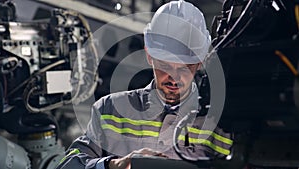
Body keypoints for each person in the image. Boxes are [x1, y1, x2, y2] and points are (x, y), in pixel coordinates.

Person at [56, 0, 233, 169]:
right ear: (149, 55)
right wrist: (112, 165)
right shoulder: (110, 110)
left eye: (185, 67)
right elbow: (67, 165)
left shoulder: (224, 124)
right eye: (165, 65)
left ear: (200, 62)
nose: (174, 77)